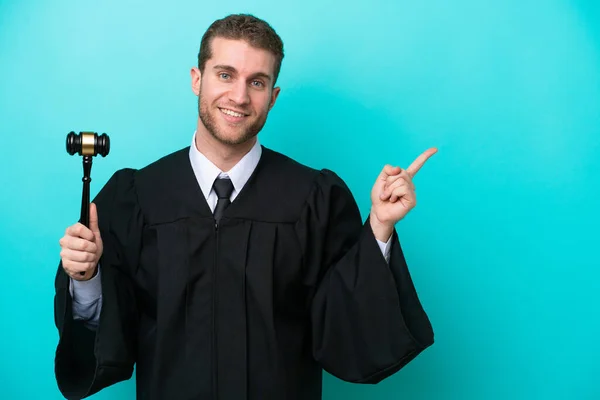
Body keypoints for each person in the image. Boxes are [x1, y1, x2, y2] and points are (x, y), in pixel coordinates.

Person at [54, 13, 436, 400]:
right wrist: (86, 279)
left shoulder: (314, 198)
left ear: (273, 96)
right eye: (225, 74)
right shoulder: (136, 196)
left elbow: (342, 324)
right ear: (196, 78)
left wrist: (379, 228)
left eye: (257, 82)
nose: (239, 96)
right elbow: (113, 330)